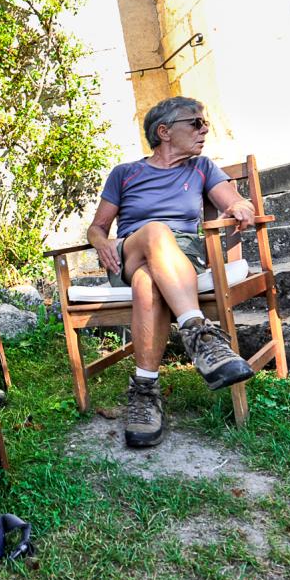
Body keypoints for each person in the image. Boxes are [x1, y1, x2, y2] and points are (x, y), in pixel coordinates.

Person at [87, 97, 255, 449]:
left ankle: (145, 393)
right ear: (164, 132)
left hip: (182, 261)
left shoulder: (202, 167)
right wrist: (101, 242)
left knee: (150, 280)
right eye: (194, 122)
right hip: (131, 252)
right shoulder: (125, 173)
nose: (204, 128)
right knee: (154, 232)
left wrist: (240, 205)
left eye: (204, 122)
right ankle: (201, 337)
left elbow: (231, 200)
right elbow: (97, 227)